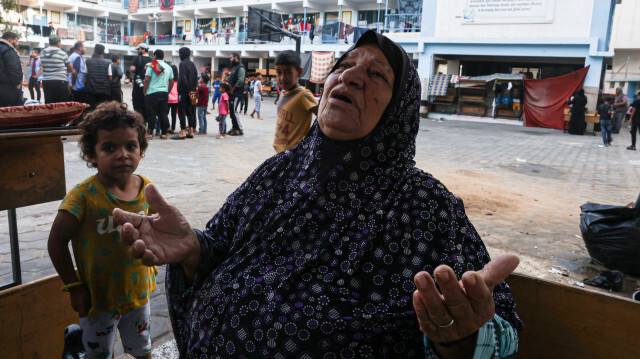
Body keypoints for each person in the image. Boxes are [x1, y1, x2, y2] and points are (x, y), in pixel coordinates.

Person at [114, 30, 521, 358]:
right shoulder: (278, 171)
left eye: (376, 75)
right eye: (343, 66)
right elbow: (219, 246)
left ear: (399, 108)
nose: (350, 76)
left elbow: (495, 326)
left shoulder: (424, 204)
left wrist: (458, 338)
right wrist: (192, 250)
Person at [48, 102, 156, 359]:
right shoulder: (82, 197)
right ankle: (76, 342)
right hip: (97, 300)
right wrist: (74, 286)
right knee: (98, 354)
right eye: (109, 147)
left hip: (138, 293)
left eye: (131, 146)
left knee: (143, 349)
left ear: (141, 149)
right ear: (92, 155)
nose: (123, 154)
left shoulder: (147, 189)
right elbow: (56, 243)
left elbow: (152, 231)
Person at [272, 50, 319, 153]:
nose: (282, 77)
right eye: (279, 72)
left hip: (294, 155)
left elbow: (323, 116)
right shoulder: (283, 93)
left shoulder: (303, 95)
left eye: (288, 72)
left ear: (299, 72)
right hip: (280, 153)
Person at [143, 49, 174, 139]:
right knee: (163, 113)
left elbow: (147, 79)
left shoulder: (151, 66)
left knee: (151, 113)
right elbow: (171, 81)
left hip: (152, 92)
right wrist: (167, 91)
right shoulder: (169, 67)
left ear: (155, 56)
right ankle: (164, 133)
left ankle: (149, 133)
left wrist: (144, 91)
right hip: (164, 93)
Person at [40, 35, 73, 104]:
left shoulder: (42, 53)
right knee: (61, 105)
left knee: (49, 104)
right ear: (58, 43)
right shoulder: (62, 53)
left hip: (46, 81)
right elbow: (70, 69)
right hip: (60, 81)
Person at [176, 46, 197, 139]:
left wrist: (188, 90)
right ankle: (191, 130)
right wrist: (192, 91)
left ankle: (183, 131)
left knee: (182, 111)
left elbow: (183, 78)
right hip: (192, 93)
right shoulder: (193, 64)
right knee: (191, 111)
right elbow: (196, 78)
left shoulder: (182, 64)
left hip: (184, 92)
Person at [84, 44, 113, 111]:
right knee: (102, 110)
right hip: (104, 91)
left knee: (91, 109)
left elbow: (85, 75)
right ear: (103, 52)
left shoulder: (88, 61)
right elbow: (110, 78)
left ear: (94, 51)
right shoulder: (107, 63)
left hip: (91, 90)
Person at [0, 31, 23, 107]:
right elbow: (14, 68)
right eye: (16, 41)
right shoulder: (8, 49)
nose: (17, 44)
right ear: (10, 40)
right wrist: (17, 83)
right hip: (7, 88)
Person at [130, 43, 152, 119]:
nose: (137, 51)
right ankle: (146, 120)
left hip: (138, 85)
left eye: (138, 49)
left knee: (137, 103)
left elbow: (132, 69)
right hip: (148, 85)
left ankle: (139, 120)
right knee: (146, 103)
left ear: (143, 49)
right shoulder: (151, 59)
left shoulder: (137, 58)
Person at [227, 52, 246, 136]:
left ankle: (239, 129)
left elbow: (241, 80)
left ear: (236, 58)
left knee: (234, 111)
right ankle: (234, 128)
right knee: (231, 111)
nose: (230, 59)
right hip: (231, 94)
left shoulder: (240, 67)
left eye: (231, 58)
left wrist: (233, 88)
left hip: (236, 93)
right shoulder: (235, 67)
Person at [168, 64, 179, 134]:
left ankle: (167, 127)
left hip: (168, 99)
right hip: (176, 100)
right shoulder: (178, 81)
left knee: (165, 114)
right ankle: (173, 129)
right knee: (174, 115)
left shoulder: (168, 80)